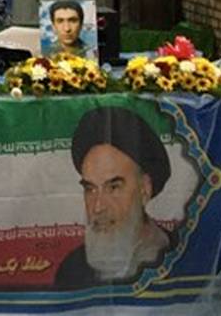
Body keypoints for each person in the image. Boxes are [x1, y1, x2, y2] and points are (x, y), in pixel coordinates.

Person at [55, 107, 174, 289]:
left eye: (113, 187)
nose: (98, 207)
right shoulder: (72, 270)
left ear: (144, 189)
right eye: (90, 189)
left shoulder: (178, 255)